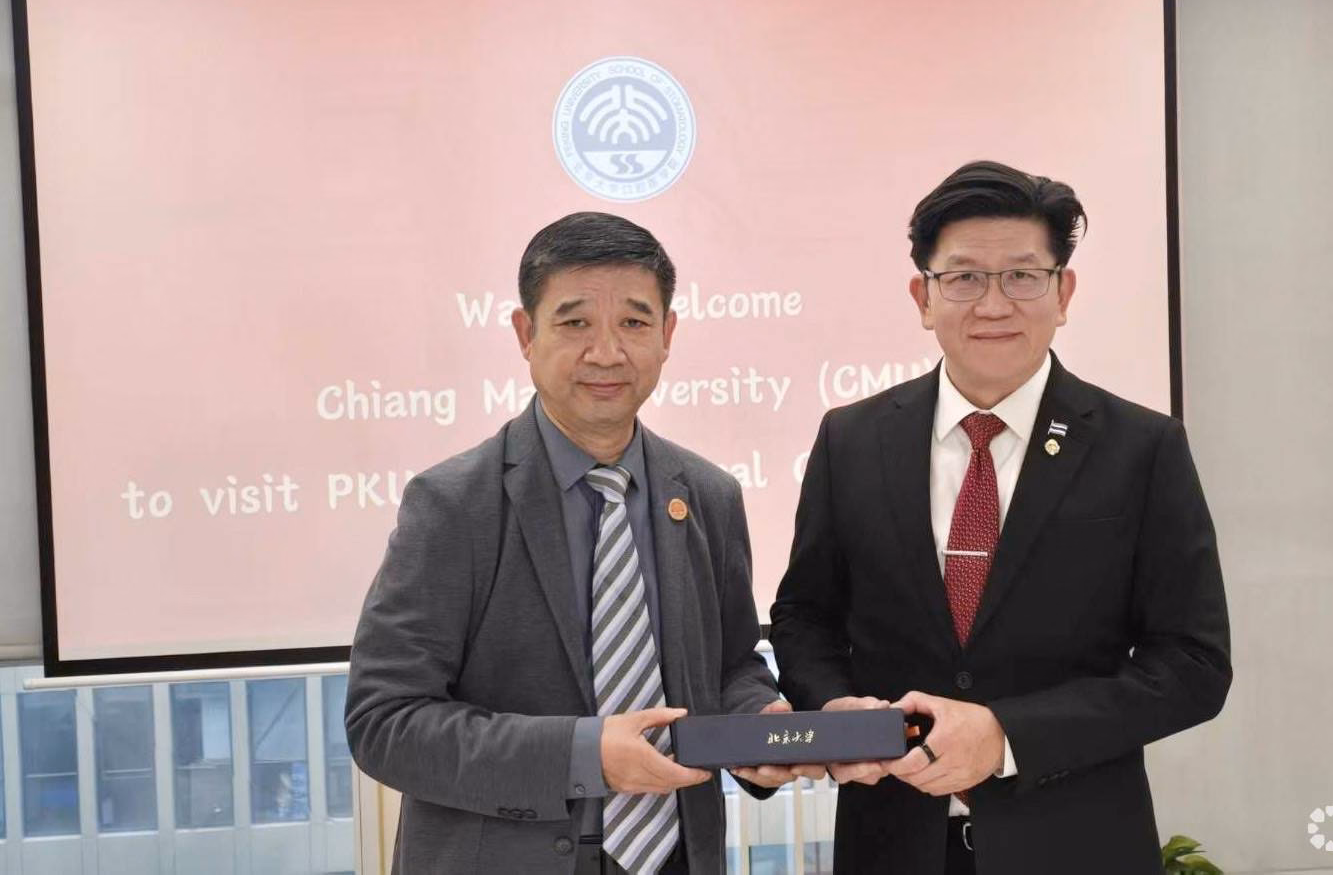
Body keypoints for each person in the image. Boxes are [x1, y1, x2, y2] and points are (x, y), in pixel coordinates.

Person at [768, 161, 1232, 873]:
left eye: (1022, 276)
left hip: (1076, 847)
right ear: (924, 296)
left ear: (1063, 292)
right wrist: (835, 711)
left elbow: (1193, 664)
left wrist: (1006, 735)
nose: (993, 305)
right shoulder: (851, 439)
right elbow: (805, 617)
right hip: (892, 843)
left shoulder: (1142, 447)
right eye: (964, 278)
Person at [347, 212, 810, 875]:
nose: (607, 352)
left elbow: (731, 665)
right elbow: (385, 722)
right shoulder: (453, 504)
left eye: (634, 322)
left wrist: (757, 720)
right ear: (525, 334)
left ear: (667, 335)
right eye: (575, 323)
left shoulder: (709, 494)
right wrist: (584, 754)